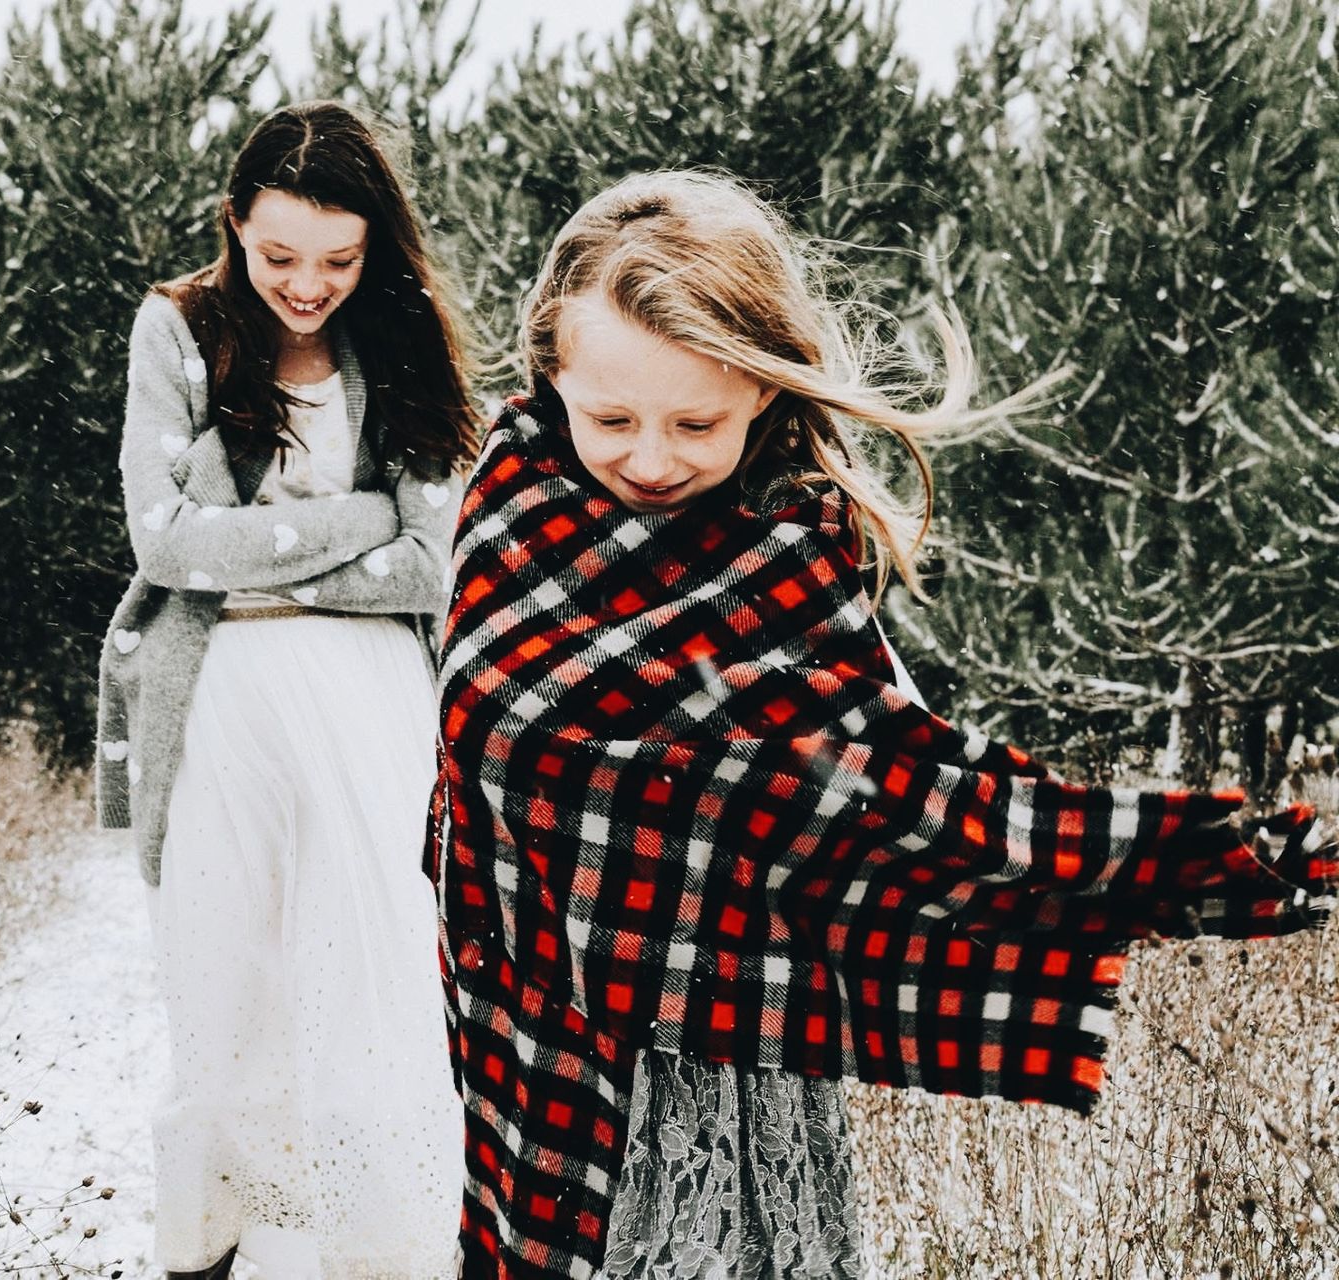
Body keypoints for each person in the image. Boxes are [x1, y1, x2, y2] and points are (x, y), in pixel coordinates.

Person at [427, 170, 1336, 1279]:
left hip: (726, 1060)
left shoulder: (796, 560)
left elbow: (898, 789)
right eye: (610, 417)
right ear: (549, 372)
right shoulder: (512, 519)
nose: (652, 458)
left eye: (696, 420)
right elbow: (489, 748)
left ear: (766, 393)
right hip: (539, 1040)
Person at [94, 101, 478, 1280]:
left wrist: (256, 532)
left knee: (378, 985)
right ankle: (205, 1249)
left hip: (372, 706)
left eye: (339, 260)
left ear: (377, 249)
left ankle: (394, 1253)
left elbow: (430, 562)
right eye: (279, 257)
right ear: (233, 227)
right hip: (213, 699)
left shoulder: (402, 345)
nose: (308, 286)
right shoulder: (177, 328)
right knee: (222, 990)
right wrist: (355, 521)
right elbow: (164, 546)